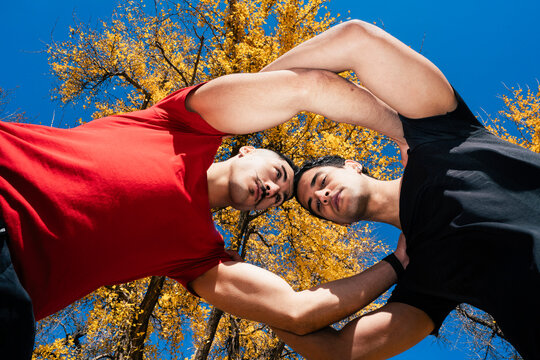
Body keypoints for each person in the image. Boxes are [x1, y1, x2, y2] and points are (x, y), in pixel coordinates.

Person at [0, 56, 410, 358]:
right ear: (247, 148)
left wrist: (397, 263)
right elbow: (303, 87)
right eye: (277, 174)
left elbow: (297, 312)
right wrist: (405, 136)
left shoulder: (199, 256)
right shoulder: (180, 125)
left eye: (279, 197)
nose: (271, 188)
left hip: (11, 294)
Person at [260, 19, 540, 359]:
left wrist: (239, 95)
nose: (320, 197)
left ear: (353, 165)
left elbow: (357, 39)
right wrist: (253, 302)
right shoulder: (421, 274)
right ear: (343, 226)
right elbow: (337, 352)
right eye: (315, 205)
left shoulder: (439, 135)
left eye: (320, 182)